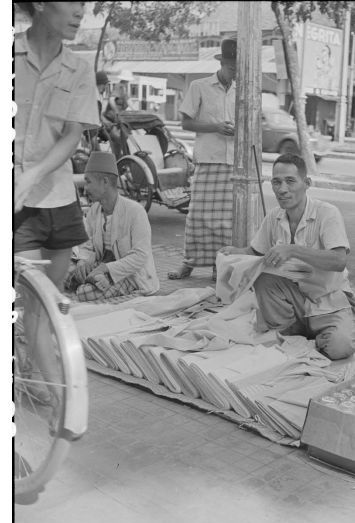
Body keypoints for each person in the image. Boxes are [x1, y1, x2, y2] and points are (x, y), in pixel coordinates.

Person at [219, 153, 355, 361]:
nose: (282, 189)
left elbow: (338, 261)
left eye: (290, 181)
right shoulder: (273, 217)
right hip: (292, 302)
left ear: (307, 183)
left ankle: (310, 336)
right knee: (263, 277)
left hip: (327, 301)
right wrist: (234, 252)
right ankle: (292, 333)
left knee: (340, 348)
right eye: (276, 182)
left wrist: (292, 250)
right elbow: (254, 254)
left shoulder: (327, 213)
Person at [14, 2, 100, 290]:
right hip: (16, 203)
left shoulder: (79, 69)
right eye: (72, 2)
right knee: (34, 293)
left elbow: (71, 135)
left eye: (83, 5)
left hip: (60, 199)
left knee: (53, 301)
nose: (80, 12)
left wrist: (33, 174)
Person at [168, 38, 237, 282]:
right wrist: (216, 127)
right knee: (197, 217)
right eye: (231, 67)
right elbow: (185, 122)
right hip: (208, 160)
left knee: (226, 223)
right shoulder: (199, 86)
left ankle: (220, 265)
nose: (234, 72)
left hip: (234, 164)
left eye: (238, 68)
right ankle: (189, 263)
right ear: (222, 63)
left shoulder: (242, 90)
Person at [64, 152, 159, 302]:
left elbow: (140, 256)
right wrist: (83, 262)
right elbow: (88, 246)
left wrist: (105, 269)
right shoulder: (94, 210)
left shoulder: (135, 211)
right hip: (100, 266)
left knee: (84, 293)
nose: (85, 188)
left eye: (88, 182)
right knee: (63, 272)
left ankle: (84, 286)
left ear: (105, 182)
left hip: (131, 275)